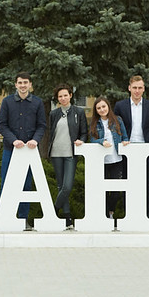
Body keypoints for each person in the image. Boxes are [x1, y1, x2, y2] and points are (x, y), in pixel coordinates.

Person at [0, 71, 46, 231]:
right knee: (6, 183)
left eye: (25, 82)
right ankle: (4, 218)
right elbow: (2, 124)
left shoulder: (37, 103)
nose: (23, 85)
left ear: (30, 84)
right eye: (20, 82)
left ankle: (23, 219)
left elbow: (41, 125)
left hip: (29, 151)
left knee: (26, 185)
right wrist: (13, 140)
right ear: (16, 84)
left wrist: (35, 140)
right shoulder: (7, 102)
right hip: (10, 149)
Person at [113, 75, 149, 218]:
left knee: (146, 183)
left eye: (140, 88)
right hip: (127, 148)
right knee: (127, 182)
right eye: (134, 88)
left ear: (144, 89)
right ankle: (129, 215)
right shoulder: (120, 106)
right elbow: (115, 127)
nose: (137, 91)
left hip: (146, 149)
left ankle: (147, 215)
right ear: (129, 88)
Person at [47, 83, 88, 230]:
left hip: (70, 153)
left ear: (70, 95)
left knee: (67, 186)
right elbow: (52, 133)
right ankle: (67, 218)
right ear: (57, 98)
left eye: (65, 95)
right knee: (60, 186)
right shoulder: (54, 114)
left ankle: (53, 211)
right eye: (60, 96)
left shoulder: (79, 112)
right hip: (56, 153)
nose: (63, 98)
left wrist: (81, 140)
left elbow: (84, 132)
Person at [89, 96, 129, 222]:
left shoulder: (117, 120)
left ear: (108, 106)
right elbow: (92, 140)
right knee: (104, 190)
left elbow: (125, 136)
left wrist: (125, 141)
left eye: (103, 106)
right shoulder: (95, 123)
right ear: (96, 110)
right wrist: (102, 141)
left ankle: (111, 210)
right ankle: (106, 216)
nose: (102, 109)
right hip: (102, 162)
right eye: (99, 108)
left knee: (116, 190)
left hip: (117, 160)